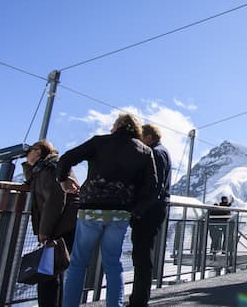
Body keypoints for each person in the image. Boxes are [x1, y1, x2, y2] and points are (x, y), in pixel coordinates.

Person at [56, 114, 157, 307]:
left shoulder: (99, 142)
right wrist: (135, 209)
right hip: (119, 213)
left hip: (90, 210)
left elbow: (66, 158)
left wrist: (63, 180)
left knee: (78, 263)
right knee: (113, 264)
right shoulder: (144, 151)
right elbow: (152, 186)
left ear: (117, 125)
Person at [22, 140, 79, 307]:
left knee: (47, 273)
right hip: (65, 223)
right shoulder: (45, 168)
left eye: (30, 151)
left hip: (61, 225)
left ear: (39, 151)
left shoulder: (49, 168)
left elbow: (54, 201)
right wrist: (28, 166)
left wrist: (45, 231)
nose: (27, 155)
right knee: (55, 271)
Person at [128, 124, 171, 307]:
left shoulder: (155, 153)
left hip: (149, 210)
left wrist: (139, 209)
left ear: (149, 137)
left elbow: (156, 185)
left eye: (140, 138)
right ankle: (139, 298)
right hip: (154, 208)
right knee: (142, 253)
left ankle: (139, 300)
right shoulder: (162, 151)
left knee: (142, 255)